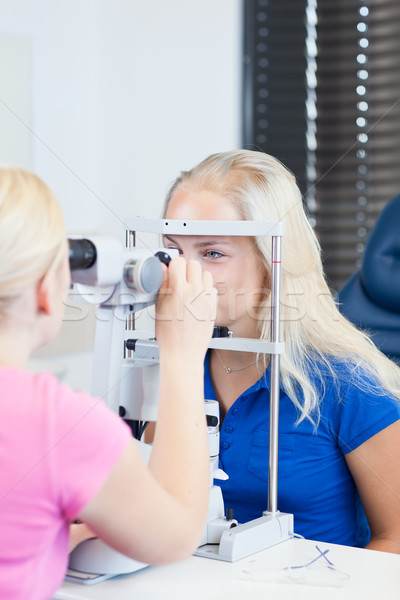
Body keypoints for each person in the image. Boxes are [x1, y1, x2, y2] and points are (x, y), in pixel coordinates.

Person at [161, 149, 400, 553]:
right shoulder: (169, 362)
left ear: (271, 262)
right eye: (173, 251)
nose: (182, 275)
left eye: (212, 253)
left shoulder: (347, 382)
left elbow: (395, 540)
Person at [0, 167, 216, 599]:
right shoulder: (58, 423)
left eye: (211, 253)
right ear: (47, 287)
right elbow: (175, 535)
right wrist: (183, 354)